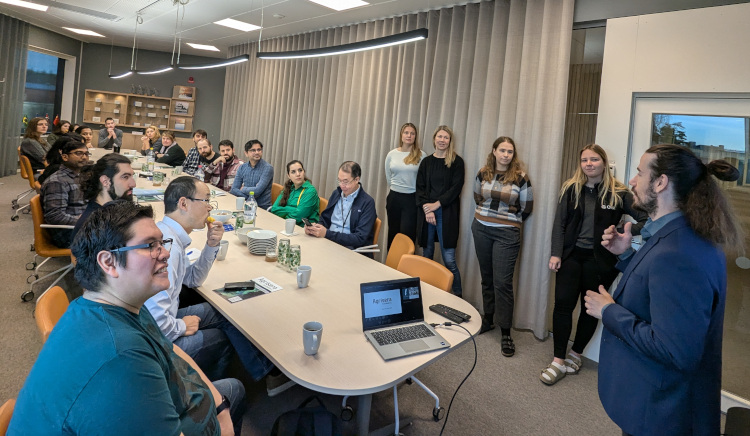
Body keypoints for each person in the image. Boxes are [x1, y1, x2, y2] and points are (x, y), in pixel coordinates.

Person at [7, 201, 246, 435]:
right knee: (235, 390)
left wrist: (220, 406)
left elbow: (170, 350)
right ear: (108, 262)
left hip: (177, 403)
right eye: (150, 245)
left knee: (231, 391)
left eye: (162, 243)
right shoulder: (120, 359)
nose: (164, 253)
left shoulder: (117, 304)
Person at [584, 144, 743, 435]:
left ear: (660, 183)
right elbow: (657, 290)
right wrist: (626, 254)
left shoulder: (679, 251)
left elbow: (674, 350)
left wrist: (608, 311)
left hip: (661, 413)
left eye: (639, 173)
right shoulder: (680, 234)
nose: (632, 181)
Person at [144, 177, 294, 396]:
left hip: (163, 318)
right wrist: (181, 326)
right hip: (156, 340)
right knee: (223, 336)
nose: (209, 207)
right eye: (205, 200)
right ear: (183, 204)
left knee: (223, 309)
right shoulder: (169, 248)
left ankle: (265, 371)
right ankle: (206, 395)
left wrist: (211, 245)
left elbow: (193, 279)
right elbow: (158, 325)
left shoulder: (171, 235)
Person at [540, 144, 648, 385]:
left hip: (601, 262)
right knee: (563, 307)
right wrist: (556, 253)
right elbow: (559, 224)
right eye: (584, 160)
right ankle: (558, 359)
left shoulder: (618, 192)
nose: (589, 164)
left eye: (594, 159)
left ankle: (576, 354)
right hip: (571, 257)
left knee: (590, 309)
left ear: (603, 162)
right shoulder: (570, 189)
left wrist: (623, 230)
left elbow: (647, 219)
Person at [471, 137, 533, 357]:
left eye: (510, 151)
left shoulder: (520, 177)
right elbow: (477, 197)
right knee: (487, 277)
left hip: (507, 234)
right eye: (502, 150)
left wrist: (507, 220)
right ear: (494, 151)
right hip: (481, 229)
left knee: (503, 282)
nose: (506, 155)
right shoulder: (483, 172)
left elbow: (527, 207)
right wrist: (488, 217)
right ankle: (488, 318)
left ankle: (505, 330)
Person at [416, 125, 465, 297]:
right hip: (427, 213)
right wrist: (427, 210)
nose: (442, 140)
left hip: (447, 213)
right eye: (440, 137)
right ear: (434, 138)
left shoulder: (457, 162)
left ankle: (458, 297)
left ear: (450, 141)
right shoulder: (426, 162)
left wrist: (436, 205)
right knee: (426, 256)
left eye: (446, 138)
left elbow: (455, 189)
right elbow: (420, 188)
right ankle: (427, 295)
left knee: (449, 260)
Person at [306, 161, 377, 252]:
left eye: (346, 182)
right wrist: (315, 228)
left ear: (356, 180)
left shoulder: (367, 202)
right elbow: (325, 219)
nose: (342, 185)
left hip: (350, 249)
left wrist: (327, 234)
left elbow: (359, 238)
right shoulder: (336, 194)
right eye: (339, 180)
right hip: (328, 242)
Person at [72, 153, 136, 239]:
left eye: (132, 176)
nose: (133, 184)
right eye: (125, 177)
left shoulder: (109, 211)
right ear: (105, 181)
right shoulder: (96, 224)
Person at [40, 140, 90, 248]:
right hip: (69, 233)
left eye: (86, 154)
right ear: (65, 157)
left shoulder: (79, 175)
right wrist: (84, 220)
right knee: (123, 234)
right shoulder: (57, 182)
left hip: (81, 226)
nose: (84, 157)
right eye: (78, 153)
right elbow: (54, 216)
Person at [384, 122, 426, 249]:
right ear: (401, 135)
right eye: (406, 133)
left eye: (412, 133)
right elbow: (388, 177)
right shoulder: (391, 154)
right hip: (394, 198)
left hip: (411, 199)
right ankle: (390, 265)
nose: (409, 135)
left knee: (407, 234)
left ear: (415, 137)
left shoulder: (421, 155)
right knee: (393, 233)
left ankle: (404, 266)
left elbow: (423, 180)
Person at [270, 160, 320, 226]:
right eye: (293, 172)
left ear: (304, 172)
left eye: (300, 170)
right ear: (289, 176)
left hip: (303, 229)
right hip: (286, 225)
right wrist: (293, 209)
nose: (298, 174)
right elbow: (274, 209)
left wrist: (283, 215)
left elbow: (299, 216)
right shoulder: (289, 188)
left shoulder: (310, 191)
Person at [230, 140, 274, 209]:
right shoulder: (242, 167)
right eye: (253, 150)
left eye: (259, 150)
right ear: (246, 153)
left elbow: (257, 191)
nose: (257, 152)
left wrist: (243, 189)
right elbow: (234, 189)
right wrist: (250, 198)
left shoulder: (267, 168)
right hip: (246, 204)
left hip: (262, 207)